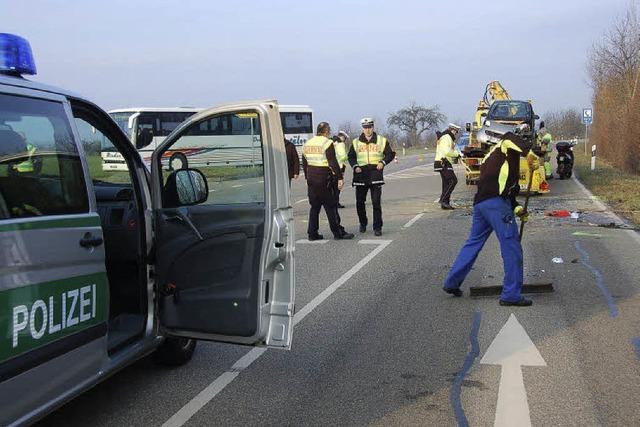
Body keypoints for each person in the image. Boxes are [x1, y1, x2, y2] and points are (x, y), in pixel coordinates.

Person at [442, 124, 536, 307]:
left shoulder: (490, 158)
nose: (522, 142)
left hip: (482, 205)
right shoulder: (505, 145)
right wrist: (531, 154)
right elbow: (511, 138)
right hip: (495, 204)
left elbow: (507, 192)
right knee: (511, 246)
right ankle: (511, 295)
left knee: (473, 243)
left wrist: (517, 209)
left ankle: (451, 283)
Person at [302, 122, 354, 241]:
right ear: (326, 131)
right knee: (331, 206)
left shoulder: (308, 143)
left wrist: (307, 177)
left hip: (311, 178)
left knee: (314, 207)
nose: (329, 132)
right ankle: (338, 232)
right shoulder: (327, 142)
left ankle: (312, 233)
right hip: (324, 178)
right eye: (329, 130)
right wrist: (340, 177)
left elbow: (304, 162)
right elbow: (332, 162)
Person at [348, 117, 396, 236]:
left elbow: (390, 154)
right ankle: (363, 223)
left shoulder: (381, 140)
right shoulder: (355, 142)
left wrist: (383, 162)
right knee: (360, 202)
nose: (368, 130)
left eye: (369, 127)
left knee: (376, 203)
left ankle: (377, 227)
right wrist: (355, 166)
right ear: (362, 129)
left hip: (375, 173)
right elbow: (351, 157)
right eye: (365, 128)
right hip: (361, 174)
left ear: (373, 127)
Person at [435, 123, 462, 210]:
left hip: (442, 162)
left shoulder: (446, 137)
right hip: (443, 162)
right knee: (453, 181)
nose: (456, 134)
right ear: (453, 130)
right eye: (456, 132)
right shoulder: (447, 137)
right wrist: (457, 154)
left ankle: (445, 203)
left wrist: (455, 158)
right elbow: (447, 151)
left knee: (446, 183)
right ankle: (443, 200)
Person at [333, 131, 349, 208]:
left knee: (333, 186)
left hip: (331, 167)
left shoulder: (332, 142)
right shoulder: (340, 144)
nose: (345, 140)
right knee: (338, 186)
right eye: (345, 138)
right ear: (342, 137)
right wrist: (346, 157)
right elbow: (343, 156)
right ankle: (336, 203)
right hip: (339, 167)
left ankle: (333, 202)